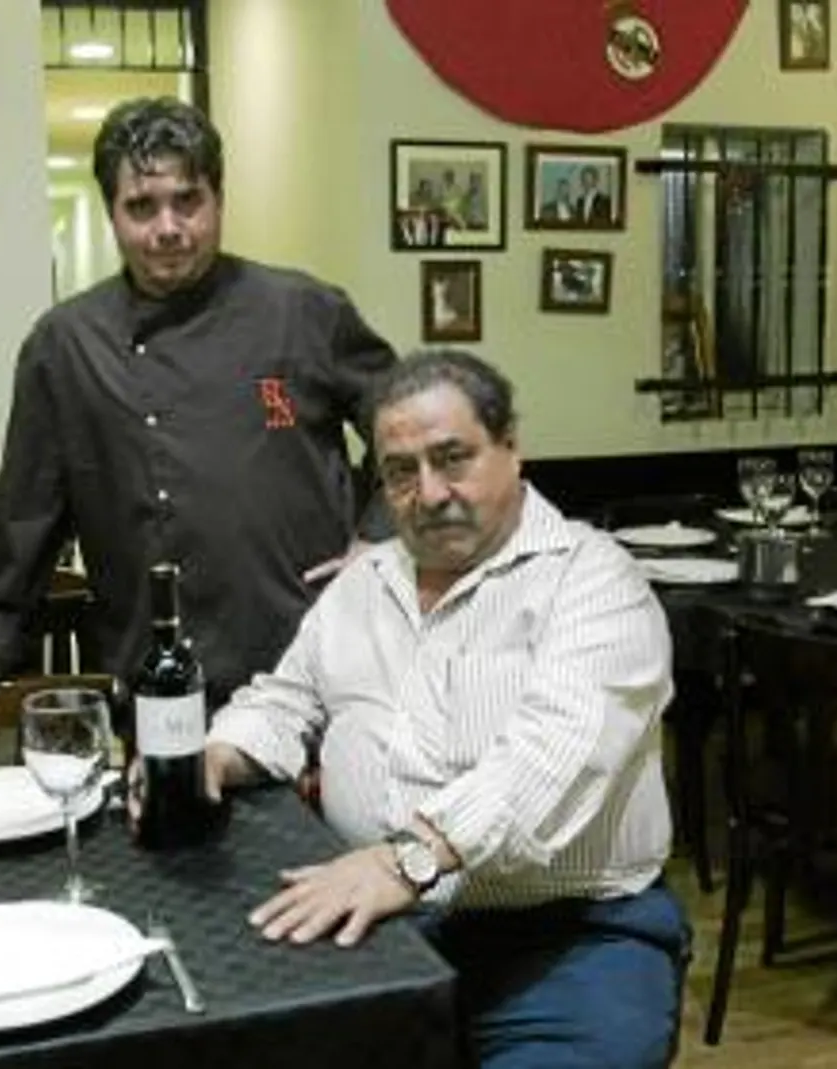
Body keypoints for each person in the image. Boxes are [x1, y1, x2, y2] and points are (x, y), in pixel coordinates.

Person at [186, 349, 688, 1068]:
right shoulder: (363, 584)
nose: (428, 492)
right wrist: (217, 754)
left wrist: (409, 862)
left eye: (453, 458)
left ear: (511, 447)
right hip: (382, 923)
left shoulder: (595, 581)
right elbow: (286, 698)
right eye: (400, 471)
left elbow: (552, 760)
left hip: (571, 942)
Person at [0, 97, 397, 725]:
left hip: (309, 659)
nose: (168, 227)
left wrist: (378, 539)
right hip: (157, 674)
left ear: (219, 200)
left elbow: (411, 424)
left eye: (187, 201)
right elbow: (26, 512)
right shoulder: (66, 344)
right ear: (112, 213)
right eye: (141, 207)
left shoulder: (302, 311)